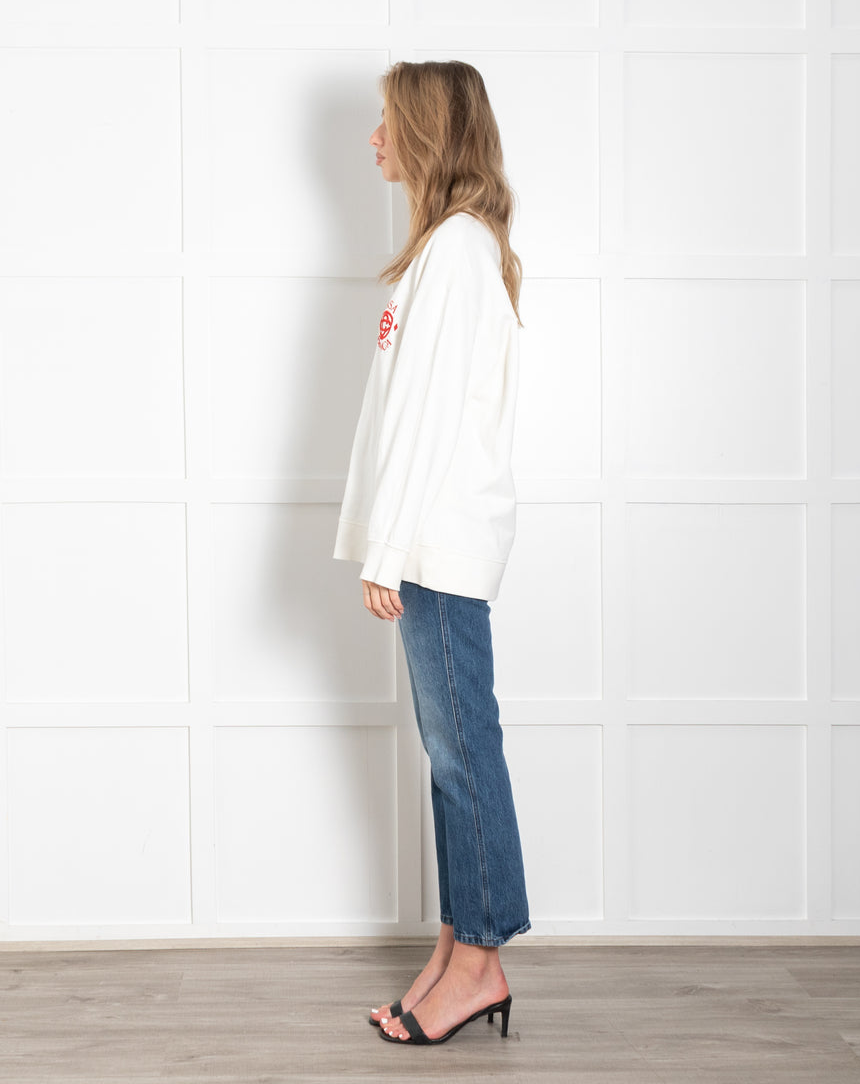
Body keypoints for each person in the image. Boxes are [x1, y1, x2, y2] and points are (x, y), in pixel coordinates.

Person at [332, 60, 530, 1046]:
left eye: (385, 123)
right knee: (453, 750)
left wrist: (387, 545)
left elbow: (422, 418)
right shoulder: (449, 250)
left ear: (425, 132)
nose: (373, 139)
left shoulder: (454, 251)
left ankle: (482, 962)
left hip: (437, 544)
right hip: (432, 543)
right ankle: (458, 946)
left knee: (462, 753)